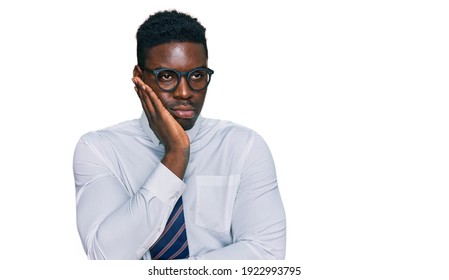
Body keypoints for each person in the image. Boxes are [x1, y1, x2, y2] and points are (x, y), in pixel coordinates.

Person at [73, 10, 286, 260]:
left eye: (197, 75)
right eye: (166, 77)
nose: (184, 92)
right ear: (139, 78)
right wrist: (176, 155)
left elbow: (266, 255)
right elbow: (106, 258)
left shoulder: (243, 147)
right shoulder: (100, 149)